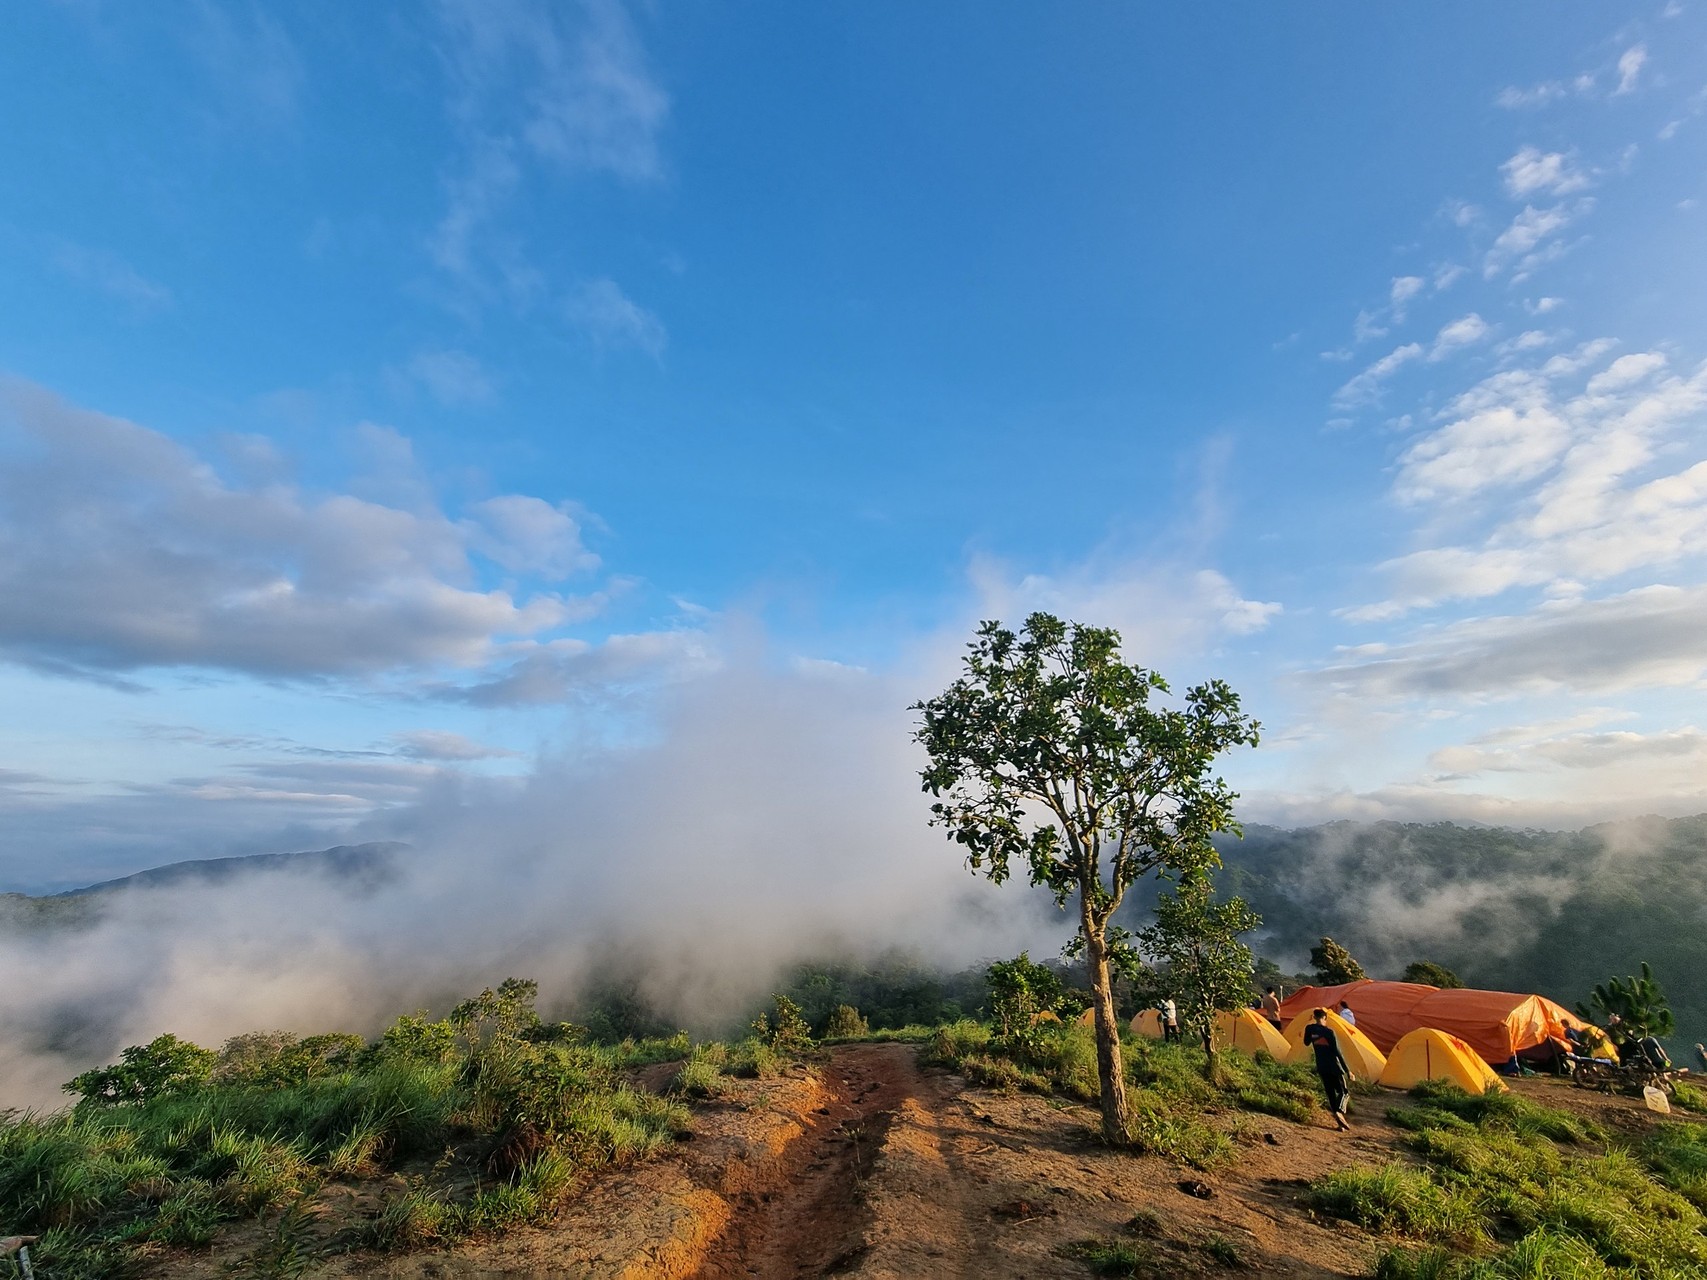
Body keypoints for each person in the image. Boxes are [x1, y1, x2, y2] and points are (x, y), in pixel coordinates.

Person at [1302, 1008, 1353, 1131]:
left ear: (1314, 1017)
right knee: (1344, 1092)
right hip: (1334, 1066)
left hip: (1322, 1066)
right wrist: (1348, 1070)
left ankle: (1340, 1124)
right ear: (1325, 1018)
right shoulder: (1329, 1032)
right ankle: (1339, 1112)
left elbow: (1306, 1042)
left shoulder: (1310, 1029)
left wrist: (1313, 1033)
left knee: (1330, 1093)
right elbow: (1337, 1052)